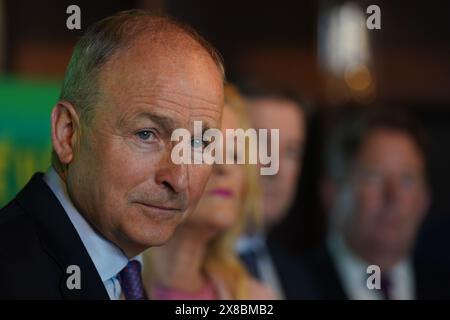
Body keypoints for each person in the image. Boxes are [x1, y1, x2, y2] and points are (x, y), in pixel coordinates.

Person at [0, 10, 225, 299]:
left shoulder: (126, 274)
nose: (179, 179)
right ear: (67, 133)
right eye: (147, 135)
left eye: (197, 143)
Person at [143, 84, 274, 299]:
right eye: (204, 148)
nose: (225, 168)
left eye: (235, 155)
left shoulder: (256, 298)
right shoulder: (109, 285)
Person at [307, 107, 450, 299]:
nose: (393, 196)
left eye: (407, 180)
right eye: (373, 177)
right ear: (331, 193)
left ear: (425, 200)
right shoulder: (288, 287)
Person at [235, 84, 313, 299]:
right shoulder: (174, 273)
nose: (275, 169)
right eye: (260, 144)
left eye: (291, 152)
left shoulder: (301, 278)